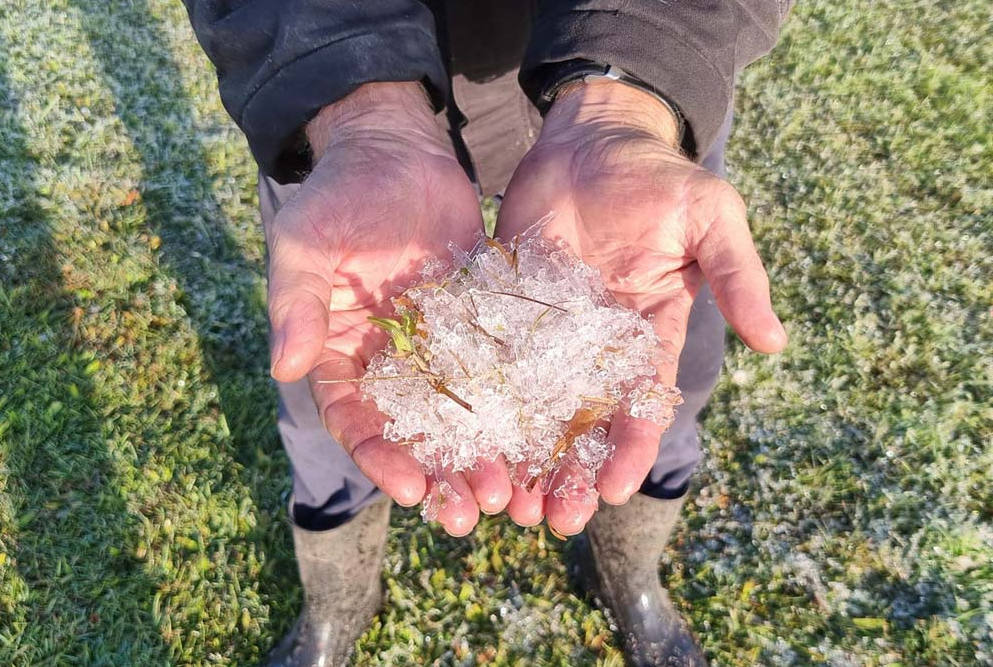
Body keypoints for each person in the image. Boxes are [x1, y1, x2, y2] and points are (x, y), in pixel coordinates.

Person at [183, 1, 792, 665]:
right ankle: (336, 602)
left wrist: (628, 86)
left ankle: (631, 572)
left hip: (644, 79)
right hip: (334, 96)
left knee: (659, 382)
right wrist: (355, 97)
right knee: (335, 389)